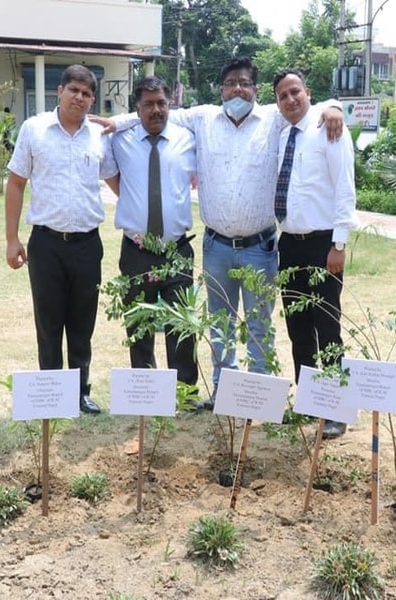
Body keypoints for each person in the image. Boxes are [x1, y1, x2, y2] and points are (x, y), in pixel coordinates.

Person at [102, 57, 344, 409]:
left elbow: (303, 106)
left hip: (260, 247)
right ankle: (223, 393)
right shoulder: (201, 118)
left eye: (244, 83)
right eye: (230, 83)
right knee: (220, 326)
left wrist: (333, 107)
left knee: (260, 325)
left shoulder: (274, 118)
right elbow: (157, 111)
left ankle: (259, 394)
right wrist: (113, 121)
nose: (237, 89)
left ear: (256, 90)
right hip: (215, 247)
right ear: (221, 89)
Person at [5, 64, 113, 415]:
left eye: (86, 93)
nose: (79, 98)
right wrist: (11, 239)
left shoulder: (99, 136)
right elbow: (16, 183)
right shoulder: (34, 129)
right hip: (46, 244)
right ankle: (50, 393)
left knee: (83, 324)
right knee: (48, 322)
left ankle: (80, 391)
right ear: (59, 91)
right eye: (73, 91)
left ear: (92, 99)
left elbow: (115, 182)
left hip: (87, 245)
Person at [273, 69, 361, 439]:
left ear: (308, 92)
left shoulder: (330, 128)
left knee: (327, 325)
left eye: (296, 92)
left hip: (323, 243)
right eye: (282, 96)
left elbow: (345, 186)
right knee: (298, 327)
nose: (290, 100)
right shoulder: (282, 134)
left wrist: (339, 244)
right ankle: (310, 403)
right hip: (289, 243)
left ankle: (336, 409)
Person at [102, 76, 198, 385]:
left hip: (177, 250)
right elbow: (113, 177)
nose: (155, 110)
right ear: (136, 109)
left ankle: (184, 390)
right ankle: (144, 388)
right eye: (147, 104)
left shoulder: (189, 138)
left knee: (181, 323)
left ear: (170, 105)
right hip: (136, 251)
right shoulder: (120, 140)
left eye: (161, 103)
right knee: (139, 323)